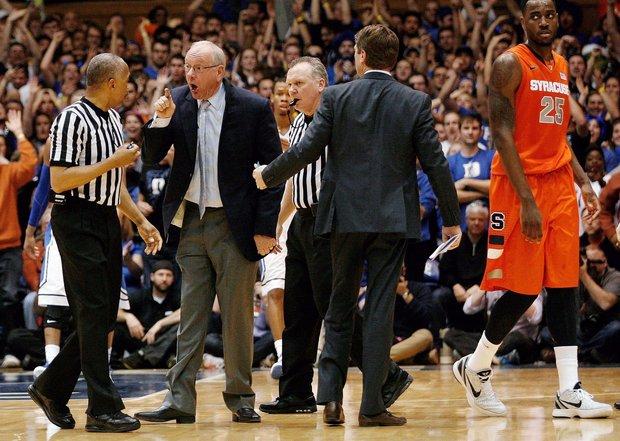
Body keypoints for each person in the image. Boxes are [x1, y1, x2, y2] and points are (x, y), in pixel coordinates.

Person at [254, 25, 461, 426]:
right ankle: (371, 407)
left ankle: (331, 400)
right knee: (380, 310)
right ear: (394, 59)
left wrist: (267, 175)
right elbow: (435, 163)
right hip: (391, 219)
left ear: (361, 56)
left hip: (341, 217)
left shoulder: (337, 96)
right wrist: (451, 220)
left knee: (339, 307)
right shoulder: (415, 100)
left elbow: (307, 149)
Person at [452, 0, 612, 419]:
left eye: (549, 15)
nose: (543, 22)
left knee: (564, 283)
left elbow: (558, 138)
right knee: (523, 288)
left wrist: (583, 181)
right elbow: (501, 134)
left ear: (558, 20)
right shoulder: (509, 64)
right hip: (518, 183)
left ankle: (568, 391)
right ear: (523, 22)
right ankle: (476, 365)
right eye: (535, 15)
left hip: (559, 183)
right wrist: (526, 200)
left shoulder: (561, 65)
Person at [134, 41, 283, 425]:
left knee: (236, 317)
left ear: (219, 71)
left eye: (198, 68)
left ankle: (241, 398)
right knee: (191, 315)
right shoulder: (177, 101)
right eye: (187, 66)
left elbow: (273, 170)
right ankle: (180, 400)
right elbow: (149, 157)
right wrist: (160, 121)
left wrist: (265, 228)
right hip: (190, 221)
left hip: (235, 223)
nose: (189, 74)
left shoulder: (251, 107)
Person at [259, 57, 413, 417]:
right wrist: (278, 223)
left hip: (329, 223)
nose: (290, 91)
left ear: (321, 85)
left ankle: (387, 375)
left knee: (334, 309)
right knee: (298, 310)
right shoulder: (299, 122)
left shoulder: (338, 120)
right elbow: (296, 181)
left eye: (298, 84)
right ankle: (295, 392)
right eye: (288, 84)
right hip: (302, 222)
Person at [28, 53, 163, 433]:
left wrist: (141, 222)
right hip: (75, 218)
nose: (129, 88)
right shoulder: (71, 118)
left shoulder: (113, 120)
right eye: (125, 81)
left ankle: (50, 387)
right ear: (111, 82)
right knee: (92, 311)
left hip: (105, 218)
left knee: (103, 315)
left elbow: (114, 186)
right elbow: (59, 180)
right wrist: (111, 162)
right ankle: (102, 408)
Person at [0, 109, 37, 347]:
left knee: (9, 296)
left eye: (2, 146)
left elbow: (31, 163)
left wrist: (20, 134)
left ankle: (11, 348)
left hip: (10, 247)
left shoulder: (8, 171)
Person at [113, 260, 180, 369]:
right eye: (161, 274)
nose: (164, 279)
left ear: (173, 279)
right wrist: (128, 317)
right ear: (152, 277)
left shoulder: (176, 297)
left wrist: (159, 324)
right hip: (140, 339)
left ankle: (142, 357)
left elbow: (186, 312)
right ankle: (114, 363)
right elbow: (114, 312)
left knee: (182, 326)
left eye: (168, 275)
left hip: (163, 345)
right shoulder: (140, 295)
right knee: (117, 325)